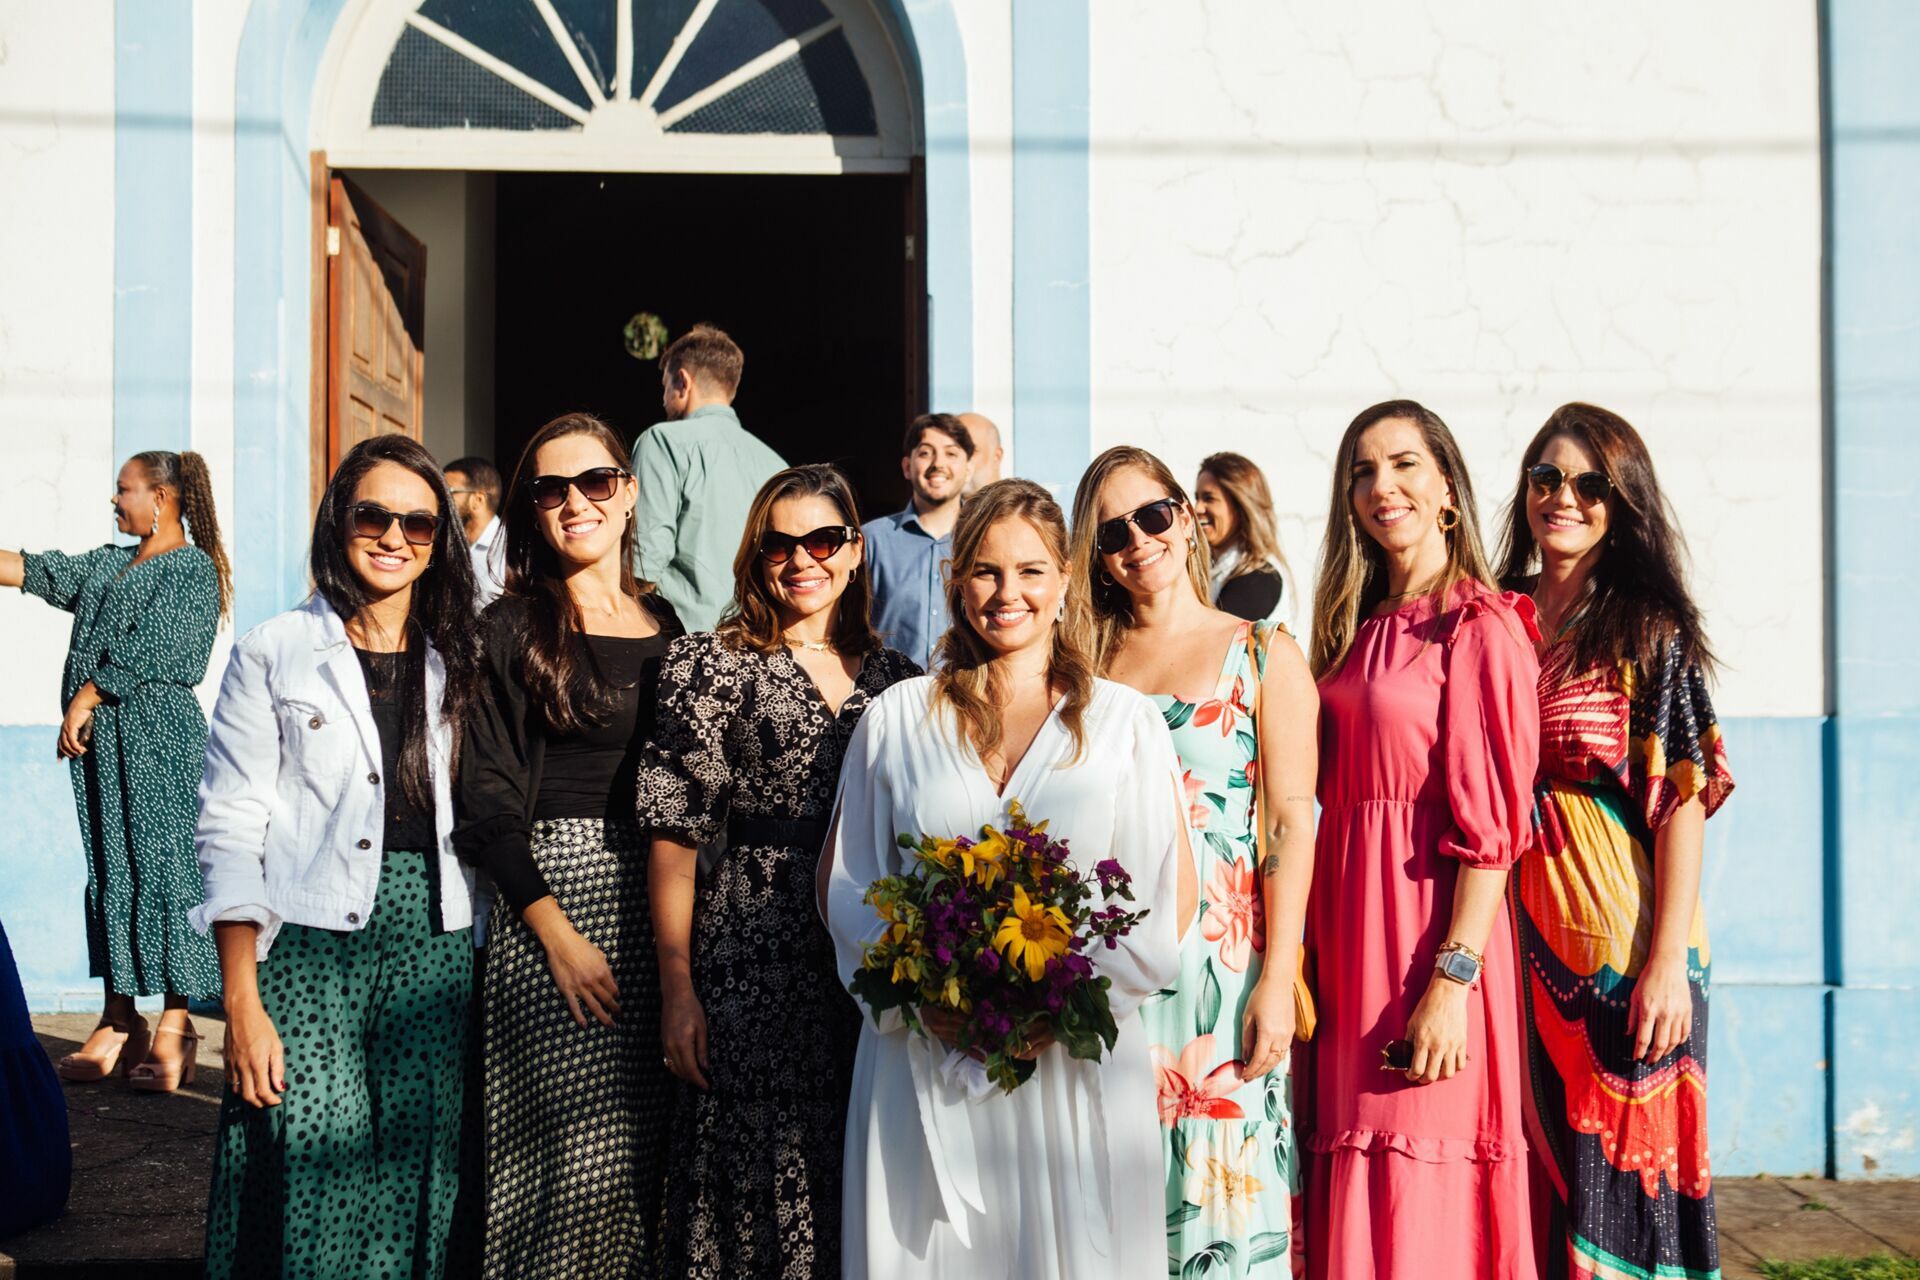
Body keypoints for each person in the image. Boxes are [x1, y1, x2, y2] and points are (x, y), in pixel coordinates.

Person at [825, 478, 1197, 1279]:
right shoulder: (896, 717)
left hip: (1071, 1063)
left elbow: (1165, 893)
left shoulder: (1125, 722)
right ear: (956, 582)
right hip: (925, 1055)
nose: (1007, 594)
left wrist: (1058, 1009)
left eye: (1030, 571)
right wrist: (921, 999)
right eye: (986, 572)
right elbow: (849, 880)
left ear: (1065, 580)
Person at [193, 433, 484, 1279]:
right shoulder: (273, 649)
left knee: (413, 1182)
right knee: (315, 1162)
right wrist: (241, 1005)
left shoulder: (465, 657)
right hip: (312, 945)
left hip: (433, 940)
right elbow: (230, 824)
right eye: (374, 515)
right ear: (339, 521)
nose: (395, 537)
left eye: (420, 523)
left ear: (441, 540)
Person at [641, 464, 919, 1279]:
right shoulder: (711, 666)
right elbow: (673, 838)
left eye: (824, 540)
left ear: (857, 550)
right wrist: (678, 987)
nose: (803, 560)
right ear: (755, 555)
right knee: (747, 1178)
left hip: (870, 957)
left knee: (851, 1160)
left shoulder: (898, 680)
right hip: (751, 954)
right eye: (780, 543)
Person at [1302, 400, 1540, 1279]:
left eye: (1403, 464)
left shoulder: (1478, 626)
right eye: (1362, 471)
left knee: (1420, 1177)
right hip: (1349, 942)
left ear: (1446, 485)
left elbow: (1495, 834)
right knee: (1353, 1161)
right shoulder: (1355, 625)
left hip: (1428, 945)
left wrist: (1453, 983)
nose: (1380, 486)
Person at [1494, 404, 1733, 1280]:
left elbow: (1683, 802)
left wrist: (1666, 960)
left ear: (1621, 502)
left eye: (1591, 484)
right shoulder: (1501, 608)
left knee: (1628, 1188)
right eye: (1547, 477)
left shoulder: (1646, 626)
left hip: (1624, 944)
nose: (1565, 497)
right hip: (1519, 939)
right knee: (1539, 1173)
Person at [1071, 446, 1319, 1274]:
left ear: (1185, 517)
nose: (1138, 539)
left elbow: (1288, 823)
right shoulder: (1083, 670)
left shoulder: (1262, 653)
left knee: (1223, 1203)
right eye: (1113, 532)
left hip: (1223, 974)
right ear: (1095, 558)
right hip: (1110, 977)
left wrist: (1278, 977)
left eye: (1152, 514)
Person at [453, 414, 684, 1279]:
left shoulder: (668, 625)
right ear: (530, 510)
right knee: (562, 1168)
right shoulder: (509, 626)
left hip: (659, 906)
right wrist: (553, 932)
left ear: (627, 494)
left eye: (595, 483)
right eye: (550, 490)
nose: (575, 503)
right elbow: (485, 799)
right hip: (552, 908)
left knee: (641, 1163)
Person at [1, 450, 230, 1091]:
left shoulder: (192, 571)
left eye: (123, 490)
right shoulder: (108, 564)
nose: (114, 500)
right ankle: (119, 1015)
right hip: (104, 748)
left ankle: (177, 1024)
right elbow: (36, 570)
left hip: (161, 740)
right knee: (112, 868)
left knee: (168, 870)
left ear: (162, 496)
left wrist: (88, 695)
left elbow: (169, 653)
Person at [631, 323, 787, 632]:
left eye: (664, 387)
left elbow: (643, 566)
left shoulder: (662, 441)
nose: (663, 399)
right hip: (759, 644)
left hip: (682, 648)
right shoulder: (778, 465)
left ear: (682, 382)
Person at [862, 412, 975, 668]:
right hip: (889, 696)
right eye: (925, 453)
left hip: (966, 695)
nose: (938, 463)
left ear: (968, 469)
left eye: (951, 453)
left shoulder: (983, 541)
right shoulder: (872, 540)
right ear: (906, 466)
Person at [1194, 452, 1293, 625]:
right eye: (1197, 498)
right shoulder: (1212, 567)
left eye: (1209, 498)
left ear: (1240, 506)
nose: (1198, 508)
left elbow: (1209, 639)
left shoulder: (1260, 577)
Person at [446, 455, 507, 604]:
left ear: (478, 500)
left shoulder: (508, 554)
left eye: (449, 492)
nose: (441, 500)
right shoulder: (444, 542)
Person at [958, 412, 1004, 494]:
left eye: (970, 451)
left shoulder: (1024, 505)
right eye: (952, 453)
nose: (961, 460)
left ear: (997, 456)